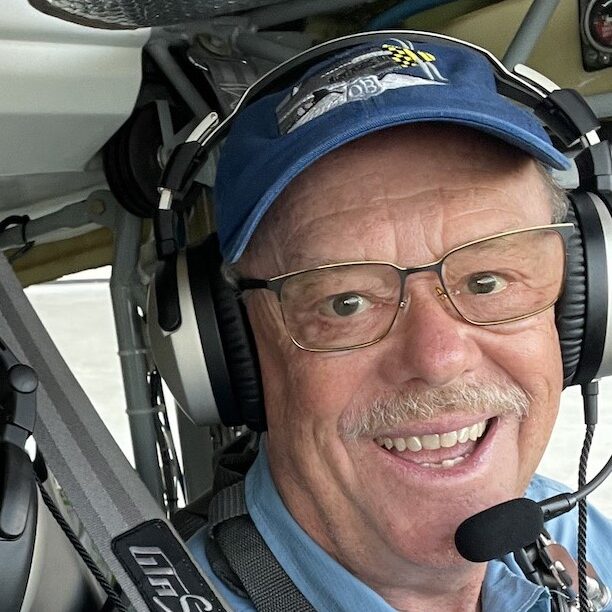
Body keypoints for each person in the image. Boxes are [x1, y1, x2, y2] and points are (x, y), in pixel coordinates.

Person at [187, 35, 612, 611]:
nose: (438, 360)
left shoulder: (581, 537)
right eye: (346, 302)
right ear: (231, 348)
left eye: (486, 282)